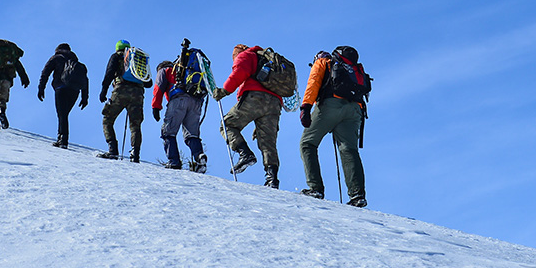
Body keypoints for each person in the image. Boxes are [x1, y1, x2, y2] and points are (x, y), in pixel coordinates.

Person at [299, 45, 371, 207]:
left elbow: (313, 83)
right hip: (355, 109)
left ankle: (315, 188)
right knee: (348, 150)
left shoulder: (324, 62)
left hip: (331, 105)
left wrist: (306, 107)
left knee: (307, 144)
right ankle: (357, 195)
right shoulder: (355, 69)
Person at [212, 43, 282, 187]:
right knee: (267, 142)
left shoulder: (246, 55)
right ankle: (272, 178)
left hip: (254, 97)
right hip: (275, 103)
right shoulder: (265, 60)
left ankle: (245, 154)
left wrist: (223, 91)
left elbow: (238, 74)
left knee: (227, 125)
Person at [151, 39, 208, 172]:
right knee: (192, 135)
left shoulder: (164, 70)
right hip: (196, 101)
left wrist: (156, 107)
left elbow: (158, 88)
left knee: (168, 132)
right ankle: (199, 157)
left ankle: (174, 161)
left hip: (178, 100)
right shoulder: (185, 70)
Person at [97, 39, 151, 161]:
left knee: (107, 119)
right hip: (138, 94)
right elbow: (148, 83)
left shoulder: (116, 56)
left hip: (121, 90)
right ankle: (135, 154)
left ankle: (113, 150)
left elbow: (109, 73)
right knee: (135, 125)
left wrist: (103, 90)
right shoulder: (138, 59)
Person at [37, 43, 89, 149]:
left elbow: (45, 73)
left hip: (61, 88)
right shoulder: (76, 62)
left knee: (62, 115)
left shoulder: (56, 58)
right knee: (64, 115)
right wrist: (84, 98)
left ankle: (63, 140)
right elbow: (85, 80)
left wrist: (41, 88)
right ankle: (62, 138)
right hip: (75, 91)